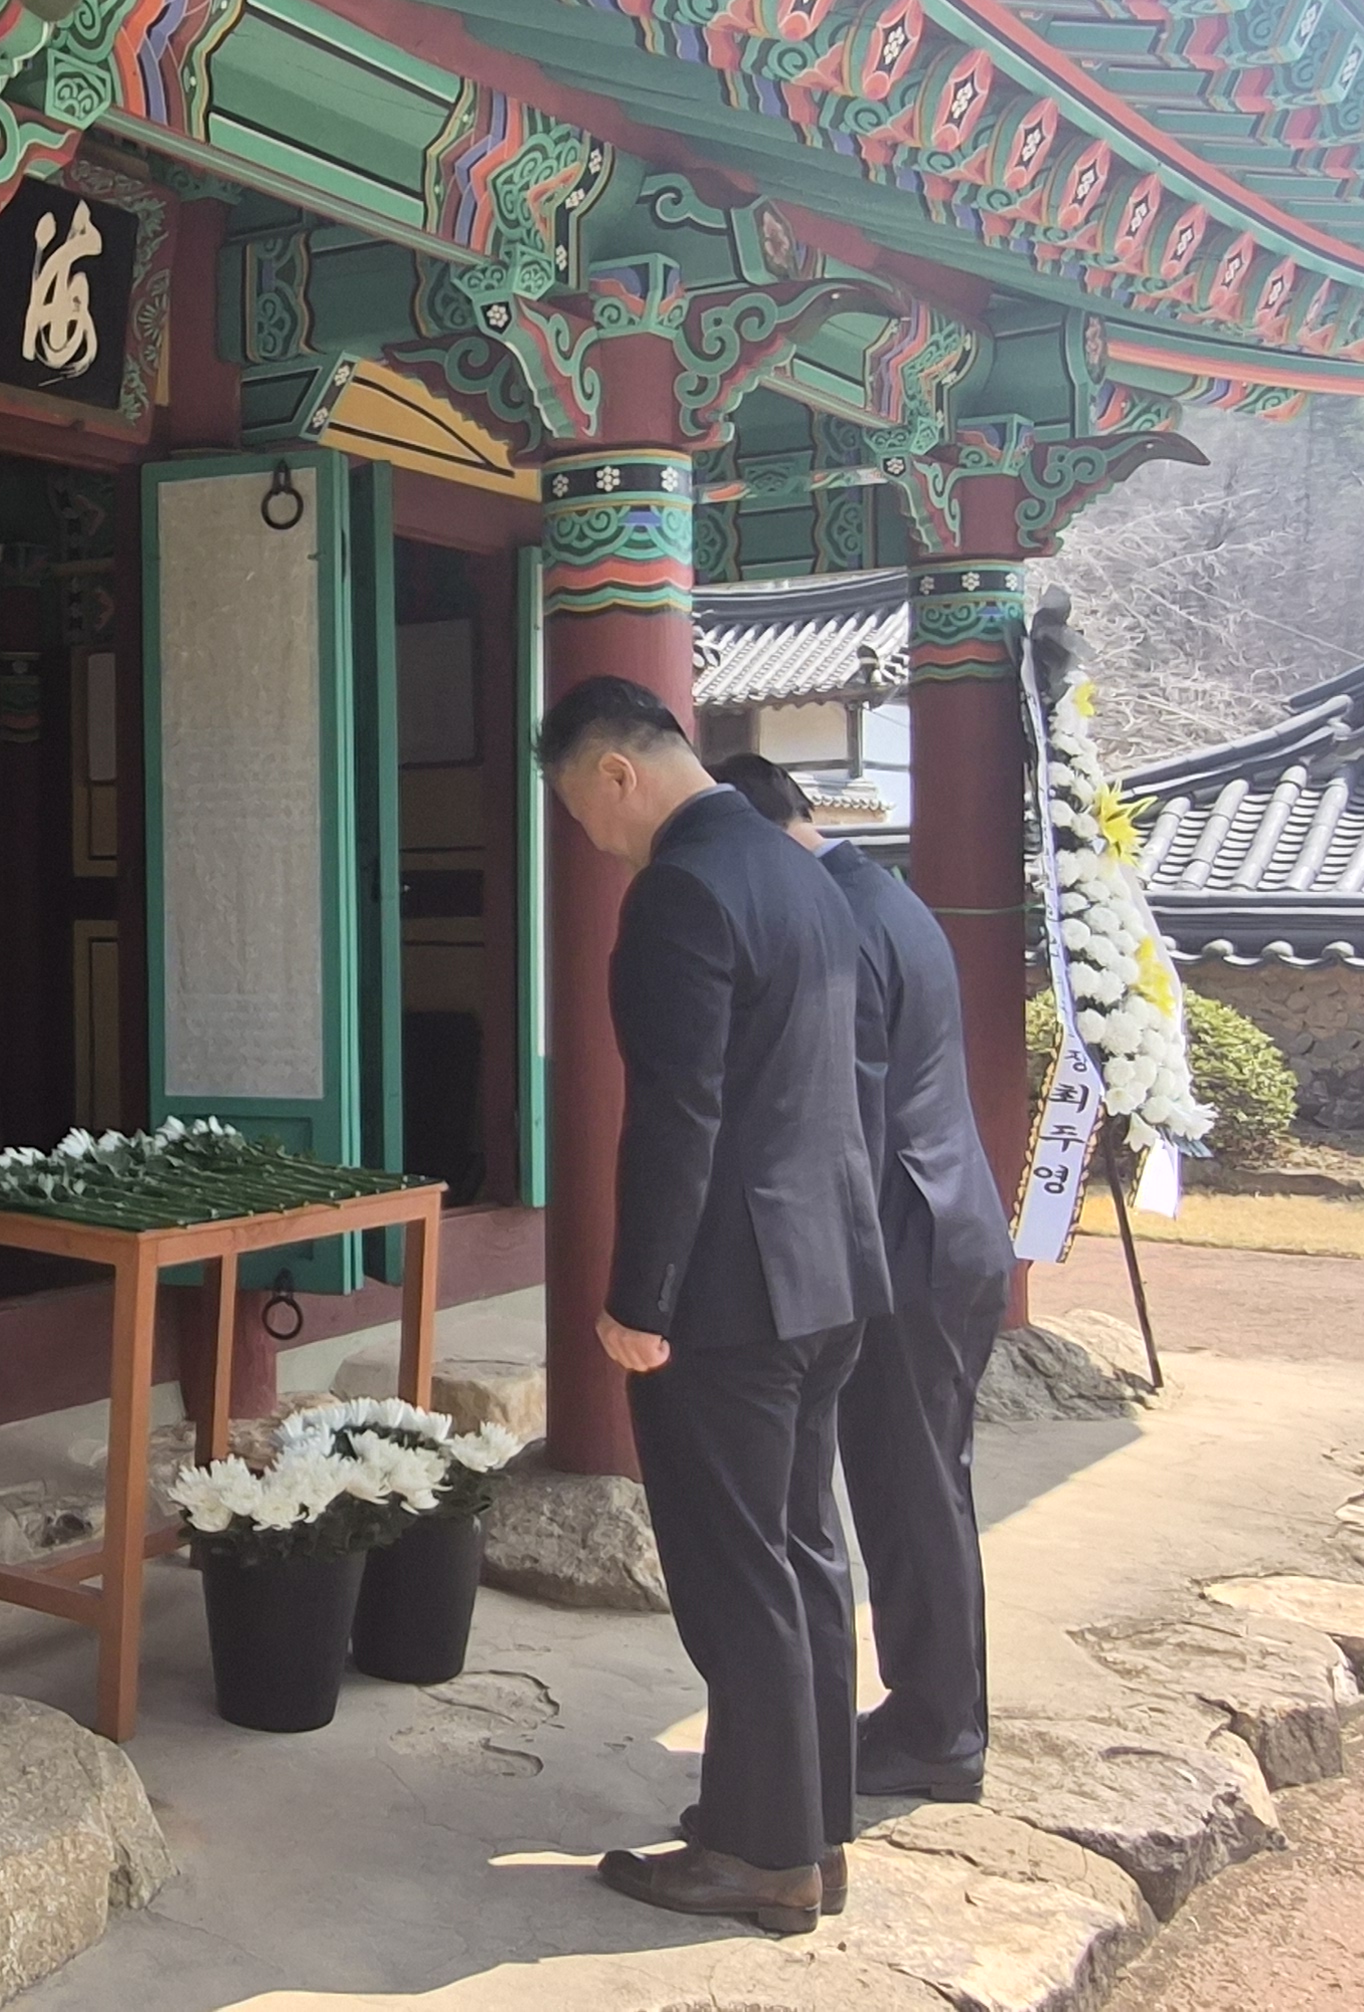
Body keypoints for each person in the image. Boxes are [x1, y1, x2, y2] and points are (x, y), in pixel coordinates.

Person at [541, 675, 892, 1933]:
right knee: (801, 1553)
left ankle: (762, 1853)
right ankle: (810, 1825)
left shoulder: (681, 889)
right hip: (828, 1264)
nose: (593, 839)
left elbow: (675, 1111)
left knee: (736, 1570)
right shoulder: (803, 873)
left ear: (615, 771)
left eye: (581, 809)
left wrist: (639, 1297)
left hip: (730, 1291)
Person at [717, 752, 1019, 1804]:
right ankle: (938, 1711)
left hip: (904, 1231)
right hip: (947, 1213)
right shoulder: (883, 892)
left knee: (908, 1489)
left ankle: (938, 1728)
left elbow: (823, 1103)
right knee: (925, 1482)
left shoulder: (830, 920)